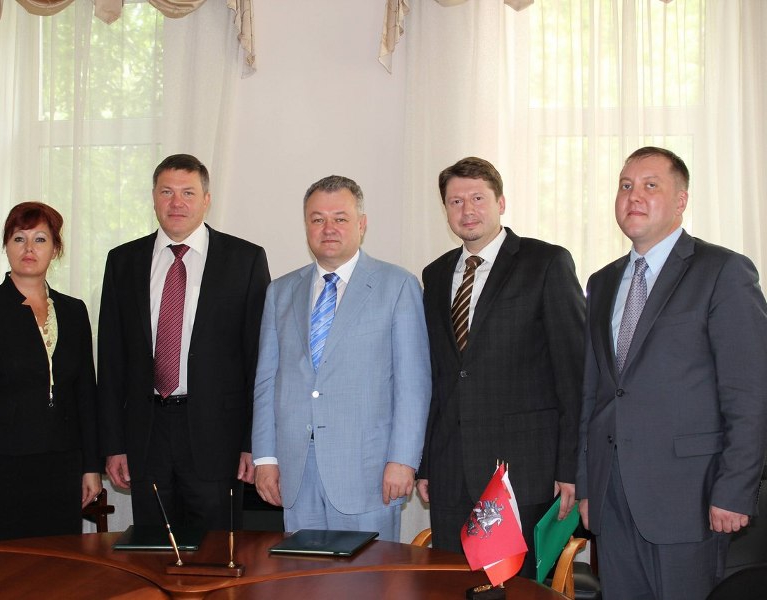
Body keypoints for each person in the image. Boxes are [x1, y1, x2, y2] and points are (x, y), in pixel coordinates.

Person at [576, 146, 767, 599]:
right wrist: (586, 483)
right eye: (625, 186)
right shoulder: (602, 282)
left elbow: (750, 392)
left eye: (650, 185)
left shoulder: (722, 271)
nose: (633, 196)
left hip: (691, 497)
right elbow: (594, 392)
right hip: (612, 494)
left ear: (681, 200)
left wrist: (735, 490)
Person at [417, 157, 585, 577]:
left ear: (501, 202)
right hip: (451, 470)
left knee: (514, 587)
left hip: (522, 471)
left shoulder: (545, 263)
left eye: (478, 198)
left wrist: (571, 467)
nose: (467, 210)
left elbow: (574, 373)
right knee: (452, 585)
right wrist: (427, 464)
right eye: (456, 201)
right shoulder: (435, 275)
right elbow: (438, 377)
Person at [251, 175, 430, 541]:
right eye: (317, 219)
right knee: (302, 574)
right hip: (295, 473)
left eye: (340, 218)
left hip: (369, 473)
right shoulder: (280, 291)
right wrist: (265, 458)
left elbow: (413, 385)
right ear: (306, 226)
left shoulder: (398, 286)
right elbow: (267, 380)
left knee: (367, 573)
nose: (328, 228)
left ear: (361, 225)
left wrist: (403, 459)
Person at [97, 154, 270, 531]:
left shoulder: (245, 260)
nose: (177, 202)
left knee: (215, 553)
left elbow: (259, 361)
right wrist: (113, 445)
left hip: (217, 437)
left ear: (206, 200)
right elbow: (110, 362)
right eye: (167, 192)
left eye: (188, 193)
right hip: (146, 436)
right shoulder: (123, 261)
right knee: (153, 549)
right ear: (153, 198)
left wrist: (253, 442)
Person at [0, 202, 102, 548]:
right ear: (6, 246)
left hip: (61, 464)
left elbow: (86, 395)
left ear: (55, 249)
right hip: (0, 464)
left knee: (58, 563)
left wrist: (91, 467)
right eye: (19, 238)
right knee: (1, 566)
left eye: (40, 239)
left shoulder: (74, 311)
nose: (29, 248)